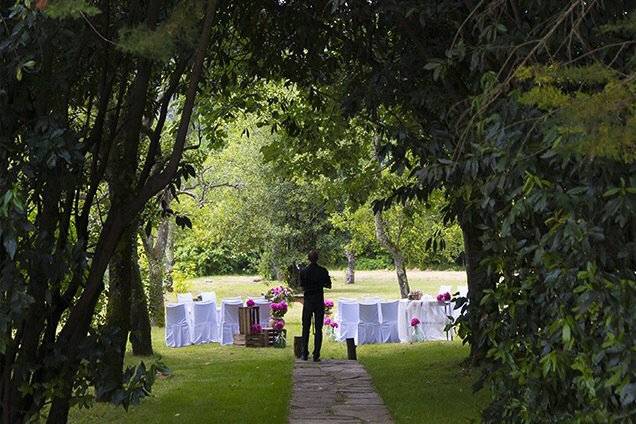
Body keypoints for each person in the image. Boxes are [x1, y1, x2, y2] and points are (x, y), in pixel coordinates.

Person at [299, 249, 332, 362]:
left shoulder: (303, 271)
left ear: (308, 259)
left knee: (305, 327)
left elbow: (302, 286)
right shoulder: (323, 271)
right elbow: (328, 285)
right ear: (317, 258)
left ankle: (304, 353)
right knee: (318, 328)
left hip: (308, 301)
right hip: (318, 301)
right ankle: (316, 354)